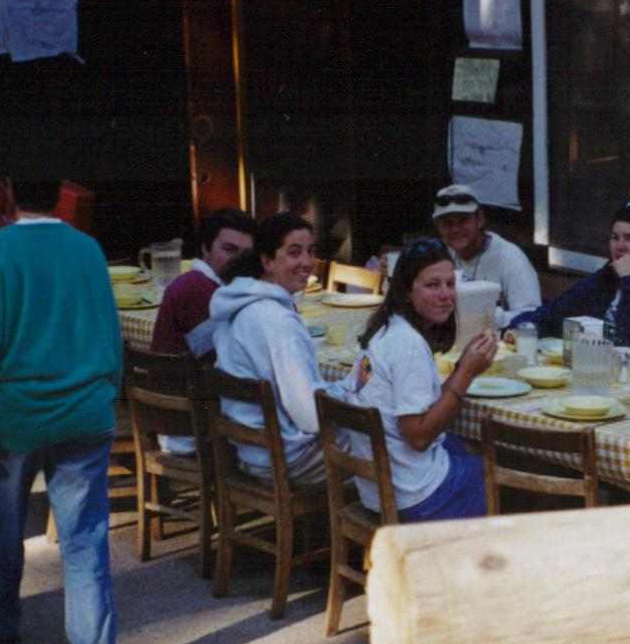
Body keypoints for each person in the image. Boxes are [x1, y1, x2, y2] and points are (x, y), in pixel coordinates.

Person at [0, 178, 124, 644]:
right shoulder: (87, 249)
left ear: (7, 192)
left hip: (13, 418)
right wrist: (109, 391)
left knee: (4, 524)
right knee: (85, 538)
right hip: (85, 414)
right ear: (61, 195)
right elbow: (109, 331)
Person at [340, 238, 498, 522]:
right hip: (410, 494)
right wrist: (466, 374)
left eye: (450, 284)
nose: (446, 295)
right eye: (432, 285)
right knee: (491, 470)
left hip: (377, 489)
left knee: (461, 446)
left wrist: (461, 367)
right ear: (406, 292)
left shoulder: (387, 330)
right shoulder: (407, 345)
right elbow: (419, 436)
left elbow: (424, 412)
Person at [209, 212, 334, 485]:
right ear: (267, 261)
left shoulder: (236, 304)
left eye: (311, 251)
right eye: (294, 252)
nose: (307, 262)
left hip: (250, 451)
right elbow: (311, 418)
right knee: (392, 440)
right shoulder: (277, 320)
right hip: (287, 459)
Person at [506, 199, 630, 354]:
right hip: (596, 363)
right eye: (615, 237)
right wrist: (521, 328)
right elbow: (555, 311)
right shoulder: (606, 276)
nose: (620, 246)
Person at [147, 207, 254, 357]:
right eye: (229, 250)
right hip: (183, 372)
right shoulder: (197, 287)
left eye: (246, 254)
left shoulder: (217, 283)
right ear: (205, 249)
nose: (239, 260)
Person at [430, 185, 541, 325]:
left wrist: (484, 317)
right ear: (438, 227)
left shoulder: (510, 257)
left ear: (480, 219)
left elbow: (532, 316)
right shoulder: (440, 255)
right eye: (447, 223)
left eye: (463, 220)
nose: (455, 229)